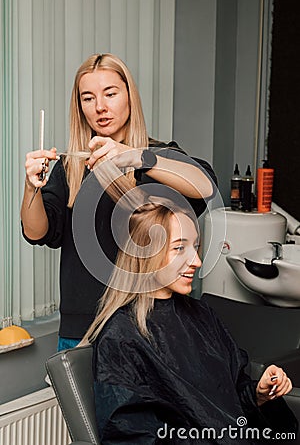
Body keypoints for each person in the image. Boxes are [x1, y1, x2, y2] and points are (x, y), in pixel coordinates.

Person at [81, 163, 297, 444]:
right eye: (179, 248)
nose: (195, 261)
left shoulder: (201, 314)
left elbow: (229, 396)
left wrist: (258, 392)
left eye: (195, 247)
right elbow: (134, 435)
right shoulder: (121, 338)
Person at [20, 53, 217, 351]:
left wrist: (137, 156)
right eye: (88, 98)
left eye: (110, 94)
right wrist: (31, 186)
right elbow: (36, 232)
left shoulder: (157, 157)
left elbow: (205, 186)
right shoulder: (70, 168)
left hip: (149, 323)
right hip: (82, 328)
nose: (100, 107)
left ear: (129, 97)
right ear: (79, 107)